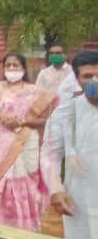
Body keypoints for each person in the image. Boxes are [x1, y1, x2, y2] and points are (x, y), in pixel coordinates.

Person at [0, 52, 56, 231]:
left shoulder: (34, 90)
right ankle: (3, 223)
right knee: (7, 179)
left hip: (27, 138)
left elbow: (45, 119)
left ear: (23, 68)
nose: (12, 69)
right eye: (8, 65)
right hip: (2, 138)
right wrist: (0, 115)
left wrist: (23, 121)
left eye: (16, 65)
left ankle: (28, 224)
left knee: (29, 179)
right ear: (3, 68)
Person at [43, 50, 98, 239]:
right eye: (88, 76)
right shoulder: (67, 111)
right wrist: (55, 188)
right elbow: (51, 151)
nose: (95, 81)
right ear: (76, 79)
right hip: (79, 201)